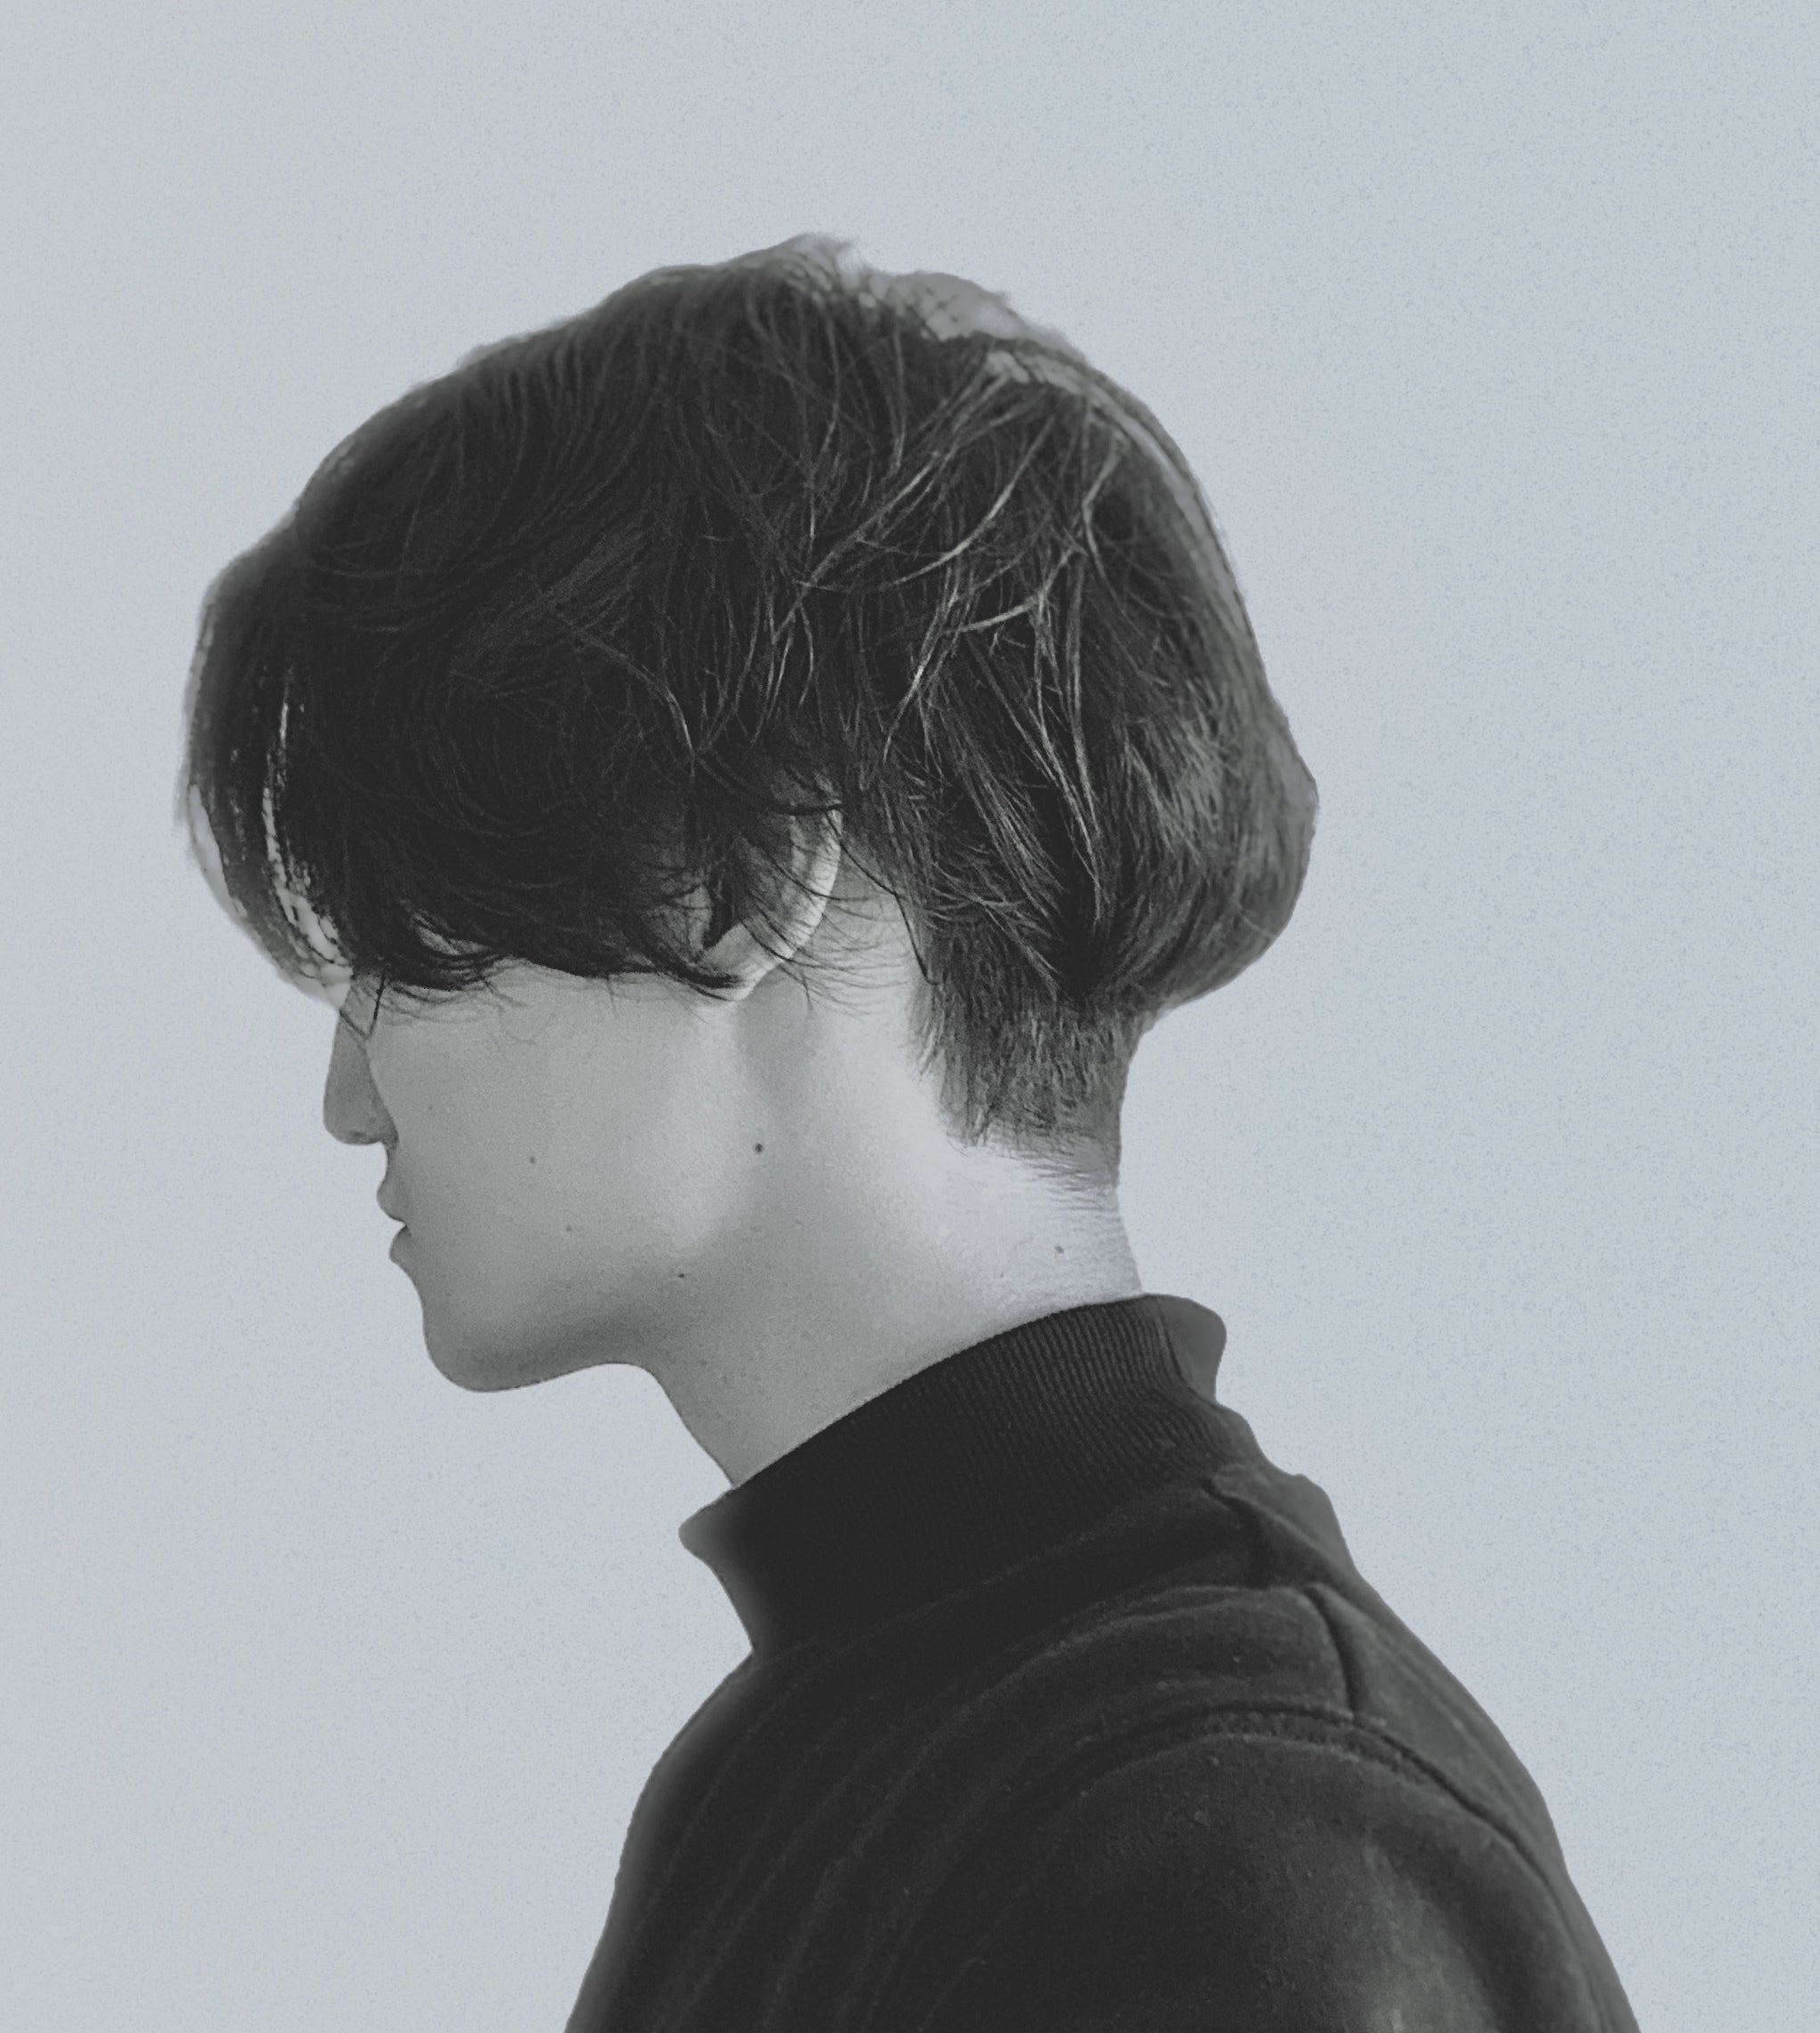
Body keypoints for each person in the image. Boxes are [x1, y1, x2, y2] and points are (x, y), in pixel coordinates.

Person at [175, 235, 1640, 2030]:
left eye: (400, 947)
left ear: (731, 880)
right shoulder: (856, 1749)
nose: (345, 1099)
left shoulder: (1231, 1828)